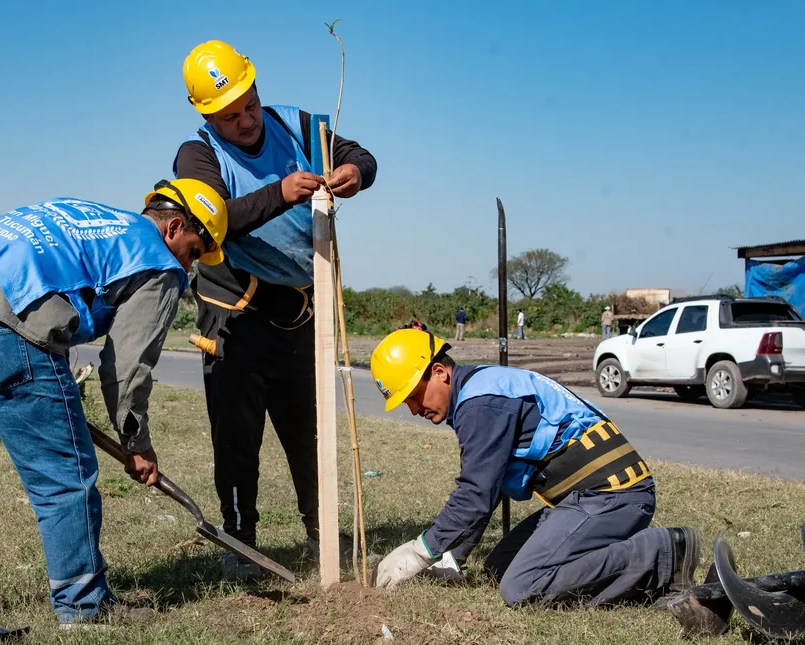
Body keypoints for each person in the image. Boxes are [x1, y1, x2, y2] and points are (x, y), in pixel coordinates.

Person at [0, 180, 228, 633]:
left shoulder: (83, 214)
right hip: (2, 329)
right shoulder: (159, 264)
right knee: (64, 476)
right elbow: (126, 366)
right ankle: (84, 608)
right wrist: (136, 442)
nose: (191, 264)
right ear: (175, 227)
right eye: (196, 251)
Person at [172, 40, 378, 580]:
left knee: (310, 434)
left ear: (258, 89)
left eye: (249, 105)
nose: (244, 121)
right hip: (236, 314)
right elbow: (213, 223)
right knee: (237, 440)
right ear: (206, 115)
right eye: (229, 115)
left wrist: (355, 172)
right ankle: (242, 547)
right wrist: (281, 192)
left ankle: (322, 536)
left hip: (301, 314)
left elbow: (362, 155)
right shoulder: (198, 158)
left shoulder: (301, 127)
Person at [368, 329, 701, 609]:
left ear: (439, 372)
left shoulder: (481, 404)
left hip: (613, 495)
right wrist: (453, 556)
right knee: (499, 569)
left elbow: (476, 493)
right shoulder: (479, 390)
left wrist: (421, 551)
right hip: (582, 500)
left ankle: (664, 553)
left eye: (413, 396)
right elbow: (491, 485)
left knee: (521, 587)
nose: (413, 409)